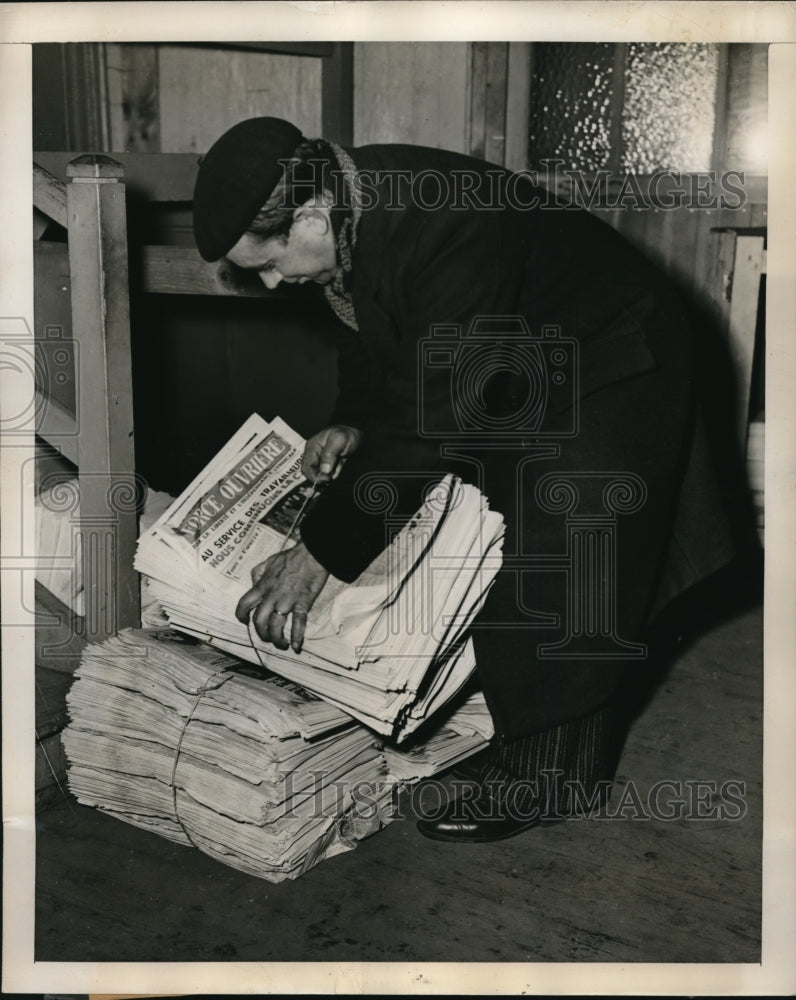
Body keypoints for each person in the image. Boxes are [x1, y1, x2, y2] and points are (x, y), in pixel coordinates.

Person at [192, 117, 741, 843]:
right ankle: (521, 735)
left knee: (565, 546)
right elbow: (377, 342)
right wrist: (352, 422)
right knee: (484, 520)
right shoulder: (349, 214)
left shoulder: (449, 221)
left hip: (613, 353)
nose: (270, 281)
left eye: (269, 260)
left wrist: (317, 554)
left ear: (313, 211)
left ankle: (546, 779)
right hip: (528, 356)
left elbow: (432, 416)